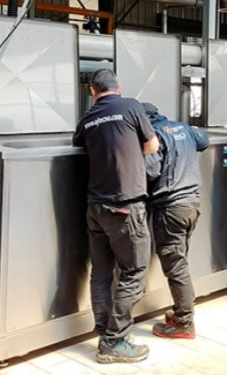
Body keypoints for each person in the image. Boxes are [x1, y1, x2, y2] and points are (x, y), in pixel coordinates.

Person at [73, 69, 159, 364]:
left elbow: (78, 145)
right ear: (118, 88)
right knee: (134, 272)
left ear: (92, 92)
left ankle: (105, 332)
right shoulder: (131, 106)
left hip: (95, 207)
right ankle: (113, 341)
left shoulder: (87, 118)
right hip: (125, 206)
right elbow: (152, 145)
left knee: (101, 272)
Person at [142, 102, 209, 339]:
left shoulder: (153, 135)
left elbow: (151, 171)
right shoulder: (183, 127)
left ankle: (184, 322)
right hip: (192, 205)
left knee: (175, 266)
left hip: (170, 207)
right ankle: (180, 310)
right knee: (180, 261)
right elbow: (204, 141)